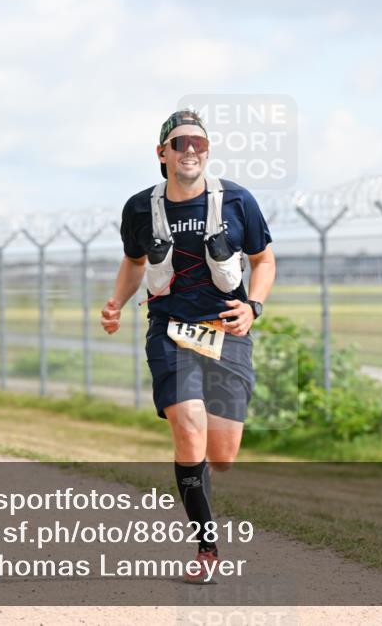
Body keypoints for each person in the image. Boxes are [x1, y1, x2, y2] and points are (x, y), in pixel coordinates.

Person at [100, 109, 275, 582]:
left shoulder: (237, 201)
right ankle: (207, 549)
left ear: (207, 149)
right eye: (180, 143)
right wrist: (117, 302)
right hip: (170, 329)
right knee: (188, 422)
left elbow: (263, 260)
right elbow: (134, 262)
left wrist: (253, 306)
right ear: (162, 154)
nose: (191, 150)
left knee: (222, 456)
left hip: (226, 330)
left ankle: (202, 483)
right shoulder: (141, 208)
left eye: (198, 142)